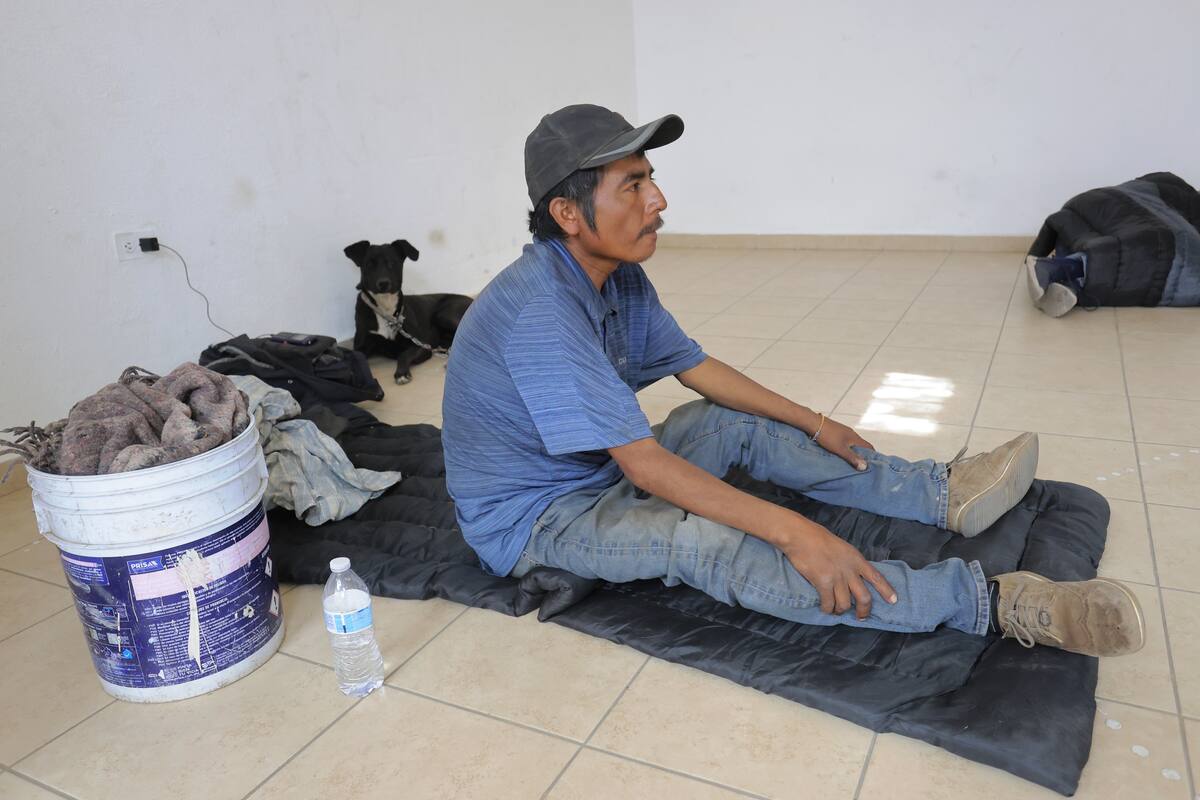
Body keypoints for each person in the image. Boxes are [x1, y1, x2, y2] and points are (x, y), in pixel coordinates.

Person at [440, 104, 1144, 657]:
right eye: (634, 185)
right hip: (538, 520)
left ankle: (942, 494)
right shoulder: (539, 311)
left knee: (728, 426)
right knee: (704, 542)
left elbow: (697, 369)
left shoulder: (617, 278)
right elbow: (646, 467)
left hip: (596, 474)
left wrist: (815, 421)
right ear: (568, 214)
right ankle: (987, 603)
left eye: (650, 177)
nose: (658, 200)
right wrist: (792, 533)